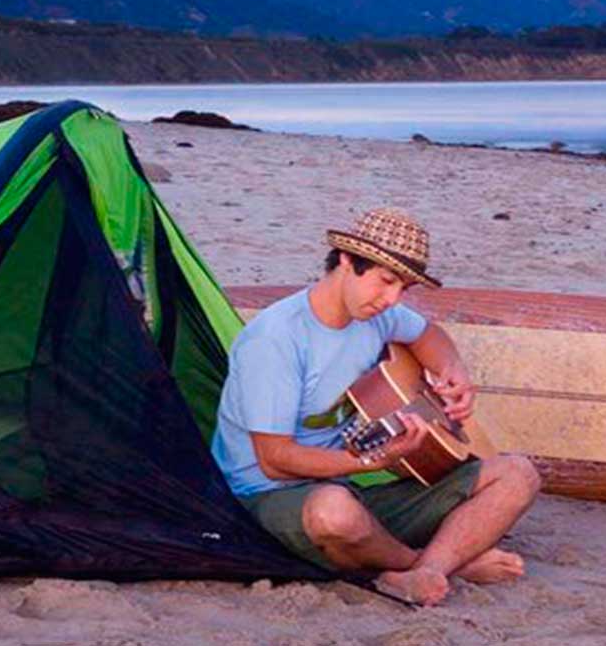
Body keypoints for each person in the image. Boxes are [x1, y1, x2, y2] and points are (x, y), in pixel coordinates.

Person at [212, 207, 540, 605]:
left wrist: (452, 370)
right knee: (334, 513)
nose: (392, 299)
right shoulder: (276, 339)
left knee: (518, 473)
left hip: (343, 487)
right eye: (386, 282)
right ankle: (432, 564)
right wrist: (373, 462)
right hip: (268, 497)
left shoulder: (373, 315)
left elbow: (427, 334)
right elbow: (275, 460)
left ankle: (427, 573)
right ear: (347, 261)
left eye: (403, 288)